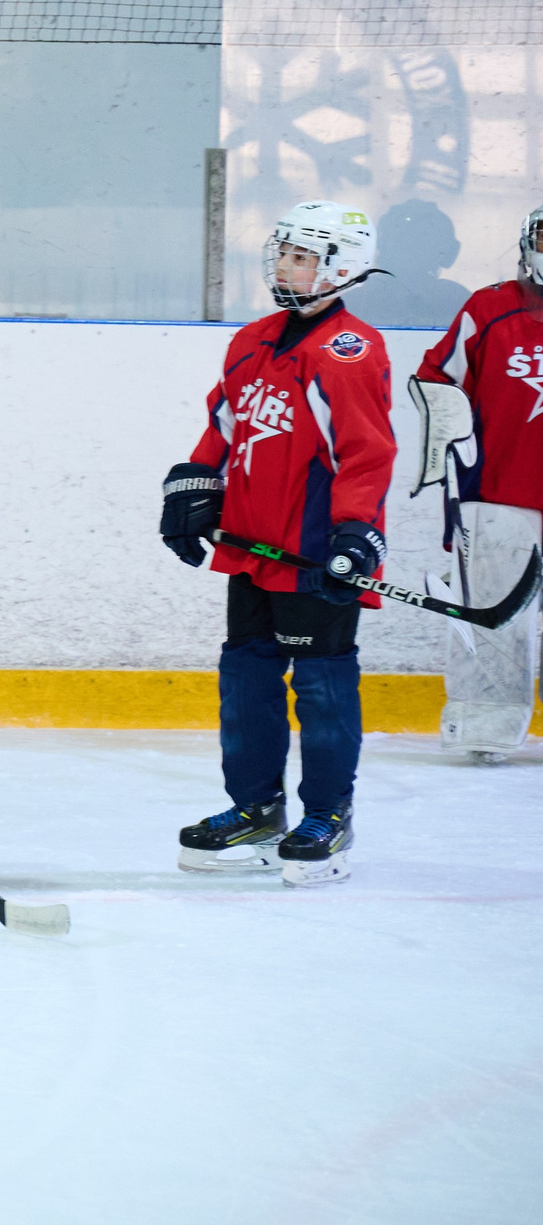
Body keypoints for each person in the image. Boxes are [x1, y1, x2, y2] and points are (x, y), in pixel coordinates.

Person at [160, 200, 393, 888]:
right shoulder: (255, 339)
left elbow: (367, 454)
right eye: (284, 253)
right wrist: (196, 485)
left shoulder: (349, 351)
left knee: (321, 687)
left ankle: (327, 813)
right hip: (251, 551)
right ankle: (257, 807)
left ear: (340, 268)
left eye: (302, 256)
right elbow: (224, 426)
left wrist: (356, 532)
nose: (285, 266)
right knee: (247, 681)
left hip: (317, 558)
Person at [408, 203, 543, 761]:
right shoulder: (487, 308)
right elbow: (435, 379)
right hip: (498, 495)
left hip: (500, 496)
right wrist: (455, 456)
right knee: (495, 614)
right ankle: (484, 726)